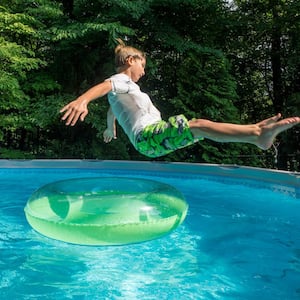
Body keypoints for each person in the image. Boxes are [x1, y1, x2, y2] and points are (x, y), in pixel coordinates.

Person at [60, 39, 300, 158]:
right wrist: (83, 100)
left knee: (198, 127)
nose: (144, 72)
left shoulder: (123, 91)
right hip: (148, 136)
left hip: (151, 139)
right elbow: (104, 86)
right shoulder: (121, 80)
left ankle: (256, 129)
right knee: (197, 125)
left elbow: (113, 107)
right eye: (142, 66)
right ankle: (257, 136)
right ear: (131, 61)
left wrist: (109, 128)